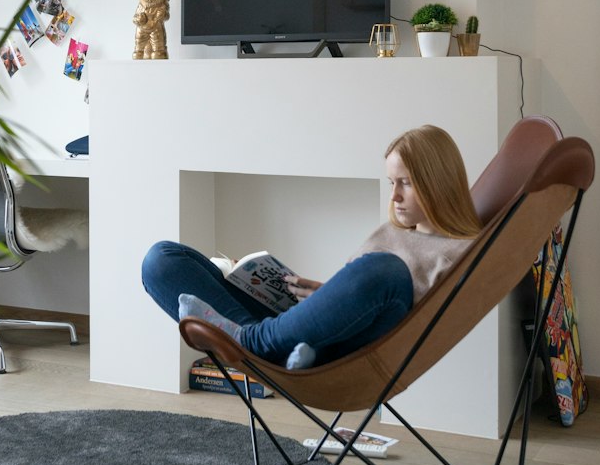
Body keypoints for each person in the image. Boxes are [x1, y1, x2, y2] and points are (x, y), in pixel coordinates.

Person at [141, 124, 483, 372]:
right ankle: (257, 341)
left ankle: (249, 342)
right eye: (392, 183)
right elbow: (354, 295)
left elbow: (406, 326)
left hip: (345, 353)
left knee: (387, 271)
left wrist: (371, 281)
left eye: (406, 184)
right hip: (298, 338)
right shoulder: (388, 233)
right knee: (162, 259)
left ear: (437, 182)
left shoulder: (459, 252)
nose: (394, 197)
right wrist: (323, 291)